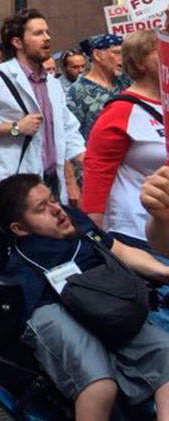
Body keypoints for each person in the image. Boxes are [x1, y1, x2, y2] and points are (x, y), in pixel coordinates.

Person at [0, 174, 169, 421]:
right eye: (42, 209)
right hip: (49, 306)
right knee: (99, 382)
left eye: (53, 200)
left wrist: (164, 272)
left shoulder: (77, 222)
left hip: (103, 297)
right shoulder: (24, 257)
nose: (56, 210)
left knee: (166, 351)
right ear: (20, 228)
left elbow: (121, 250)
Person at [79, 31, 169, 329]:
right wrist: (96, 237)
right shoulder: (121, 110)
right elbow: (96, 172)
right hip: (136, 232)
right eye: (162, 52)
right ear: (140, 62)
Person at [0, 9, 85, 202]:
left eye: (47, 32)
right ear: (17, 42)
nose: (47, 38)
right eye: (38, 33)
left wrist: (85, 159)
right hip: (11, 186)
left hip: (51, 184)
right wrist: (14, 128)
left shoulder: (52, 84)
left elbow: (67, 128)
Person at [66, 34, 129, 139]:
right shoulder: (77, 91)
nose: (122, 58)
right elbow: (72, 133)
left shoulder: (126, 81)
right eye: (117, 53)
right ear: (97, 55)